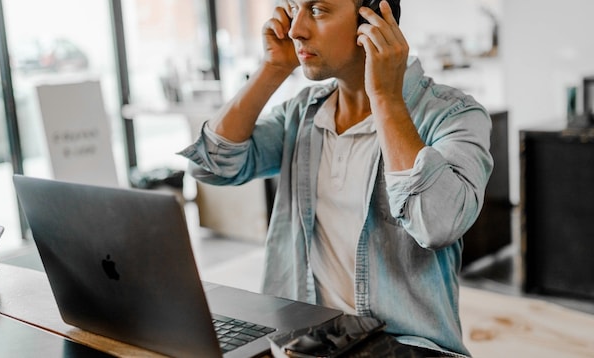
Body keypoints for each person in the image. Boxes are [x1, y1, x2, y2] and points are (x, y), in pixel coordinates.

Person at [179, 0, 492, 356]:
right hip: (304, 342)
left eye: (317, 9)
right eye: (294, 7)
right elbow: (210, 166)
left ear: (371, 19)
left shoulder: (454, 115)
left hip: (406, 347)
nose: (295, 29)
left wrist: (386, 99)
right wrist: (271, 69)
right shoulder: (303, 112)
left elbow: (437, 224)